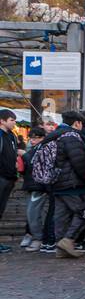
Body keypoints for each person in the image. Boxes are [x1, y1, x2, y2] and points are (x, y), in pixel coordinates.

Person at [49, 111, 85, 258]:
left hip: (56, 182)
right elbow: (79, 162)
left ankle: (60, 247)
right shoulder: (71, 137)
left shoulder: (55, 134)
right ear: (77, 123)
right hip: (73, 183)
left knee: (61, 215)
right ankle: (68, 240)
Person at [19, 125, 48, 251]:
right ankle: (37, 237)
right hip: (34, 185)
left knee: (33, 213)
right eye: (31, 138)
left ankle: (38, 238)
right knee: (33, 213)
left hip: (39, 185)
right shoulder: (35, 148)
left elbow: (36, 162)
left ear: (42, 138)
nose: (32, 140)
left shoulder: (44, 148)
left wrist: (24, 155)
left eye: (36, 138)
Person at [0, 109, 18, 254]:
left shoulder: (11, 136)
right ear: (2, 121)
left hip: (9, 177)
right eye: (12, 120)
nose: (14, 123)